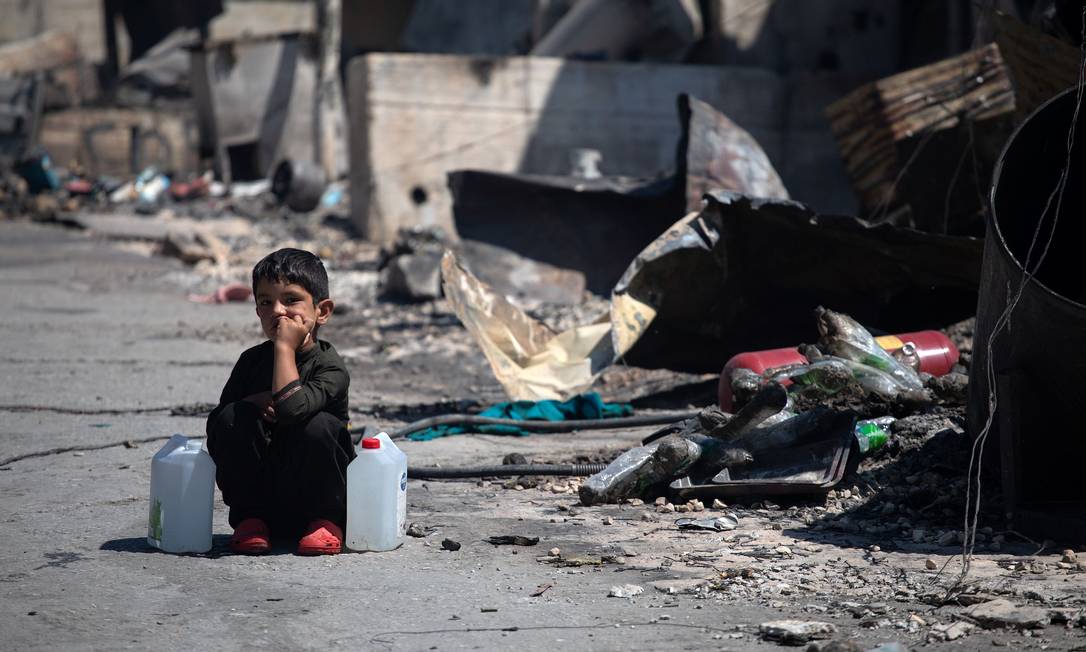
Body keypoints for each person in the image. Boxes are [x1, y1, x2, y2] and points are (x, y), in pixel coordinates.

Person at [206, 248, 353, 555]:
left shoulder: (330, 366)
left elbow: (291, 408)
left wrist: (284, 348)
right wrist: (252, 402)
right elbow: (219, 428)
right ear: (257, 311)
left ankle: (328, 522)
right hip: (267, 501)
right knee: (232, 416)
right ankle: (250, 520)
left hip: (317, 498)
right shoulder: (251, 362)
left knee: (319, 425)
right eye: (265, 302)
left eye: (290, 300)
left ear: (322, 311)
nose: (278, 310)